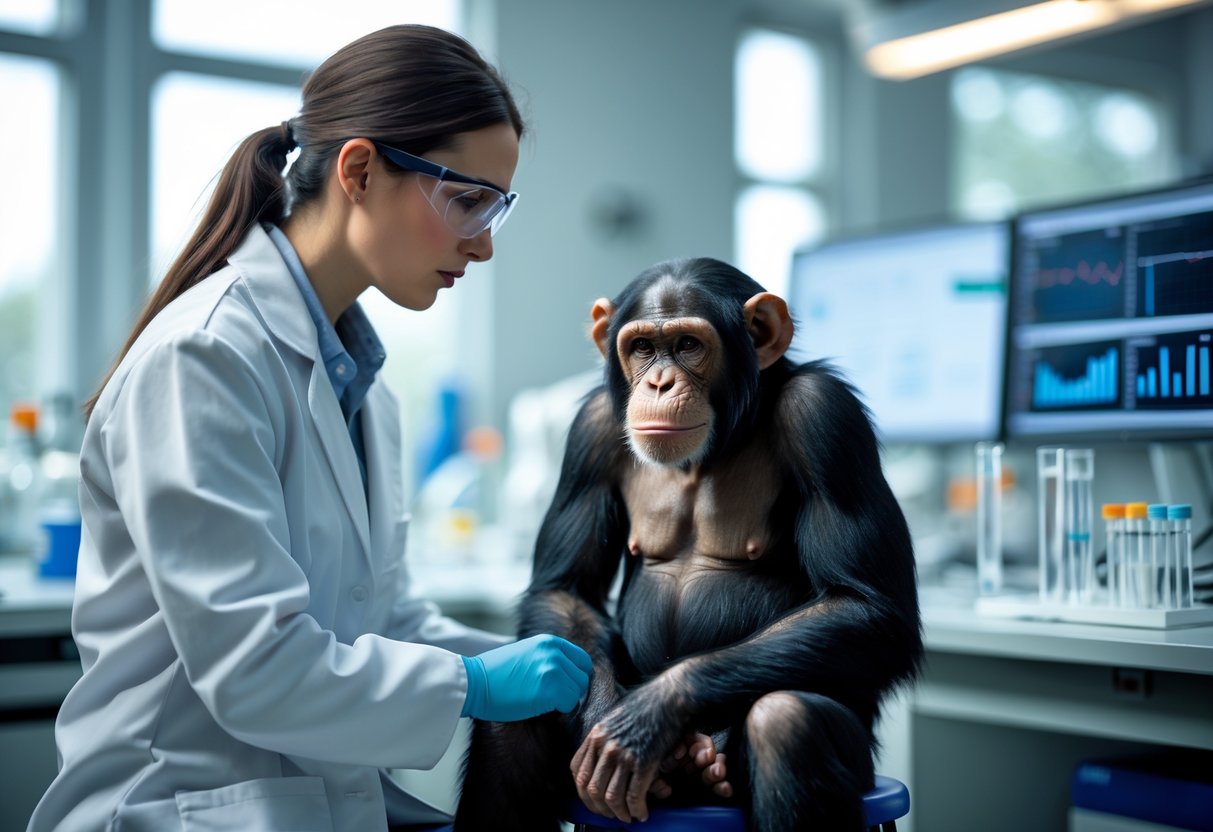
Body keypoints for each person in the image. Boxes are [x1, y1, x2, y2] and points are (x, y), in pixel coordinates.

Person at [28, 24, 592, 832]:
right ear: (360, 171)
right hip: (177, 811)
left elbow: (384, 622)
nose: (482, 243)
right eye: (467, 200)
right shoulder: (206, 356)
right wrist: (479, 686)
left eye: (495, 208)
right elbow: (256, 668)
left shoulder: (358, 382)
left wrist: (570, 672)